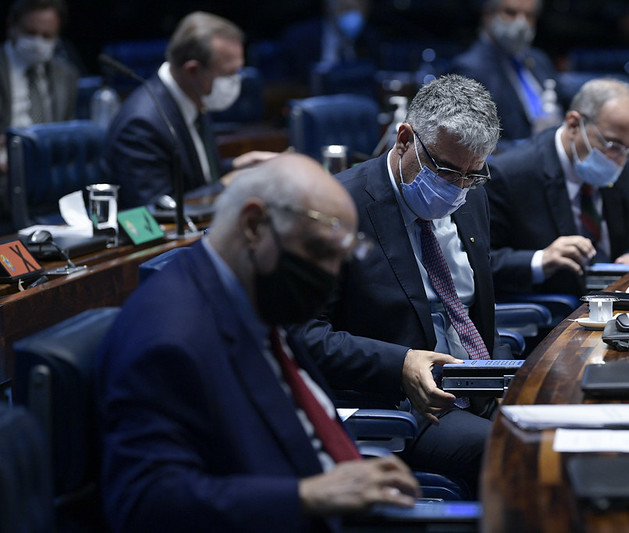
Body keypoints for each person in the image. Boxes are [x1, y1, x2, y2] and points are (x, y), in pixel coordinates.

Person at [95, 153, 420, 533]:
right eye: (319, 251)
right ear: (253, 225)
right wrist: (307, 495)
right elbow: (146, 502)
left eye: (341, 258)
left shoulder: (256, 299)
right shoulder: (167, 338)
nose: (331, 274)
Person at [296, 74, 511, 497]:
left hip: (476, 386)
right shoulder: (336, 209)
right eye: (446, 170)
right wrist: (400, 362)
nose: (458, 189)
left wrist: (502, 376)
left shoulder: (472, 195)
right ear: (405, 139)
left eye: (473, 174)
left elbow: (470, 315)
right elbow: (304, 336)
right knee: (517, 452)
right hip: (401, 405)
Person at [487, 77, 629, 297]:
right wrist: (541, 260)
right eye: (612, 145)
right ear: (573, 124)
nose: (619, 160)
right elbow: (482, 261)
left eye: (628, 150)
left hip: (620, 303)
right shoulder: (511, 175)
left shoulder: (626, 162)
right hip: (555, 313)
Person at [449, 0, 629, 149]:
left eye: (529, 16)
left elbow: (572, 102)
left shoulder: (536, 60)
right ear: (488, 15)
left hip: (559, 153)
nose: (521, 23)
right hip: (519, 168)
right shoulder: (469, 68)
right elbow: (476, 146)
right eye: (511, 13)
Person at [102, 11, 276, 210]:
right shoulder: (142, 125)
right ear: (192, 71)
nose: (236, 81)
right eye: (229, 73)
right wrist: (227, 184)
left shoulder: (193, 96)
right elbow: (155, 210)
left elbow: (194, 179)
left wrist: (236, 166)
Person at [0, 0, 78, 221]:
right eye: (30, 33)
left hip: (50, 182)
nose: (37, 43)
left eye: (47, 36)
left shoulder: (66, 75)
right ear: (11, 26)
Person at [280, 0, 380, 86]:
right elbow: (286, 86)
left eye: (359, 7)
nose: (353, 16)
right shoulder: (299, 38)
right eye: (346, 8)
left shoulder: (370, 39)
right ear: (328, 7)